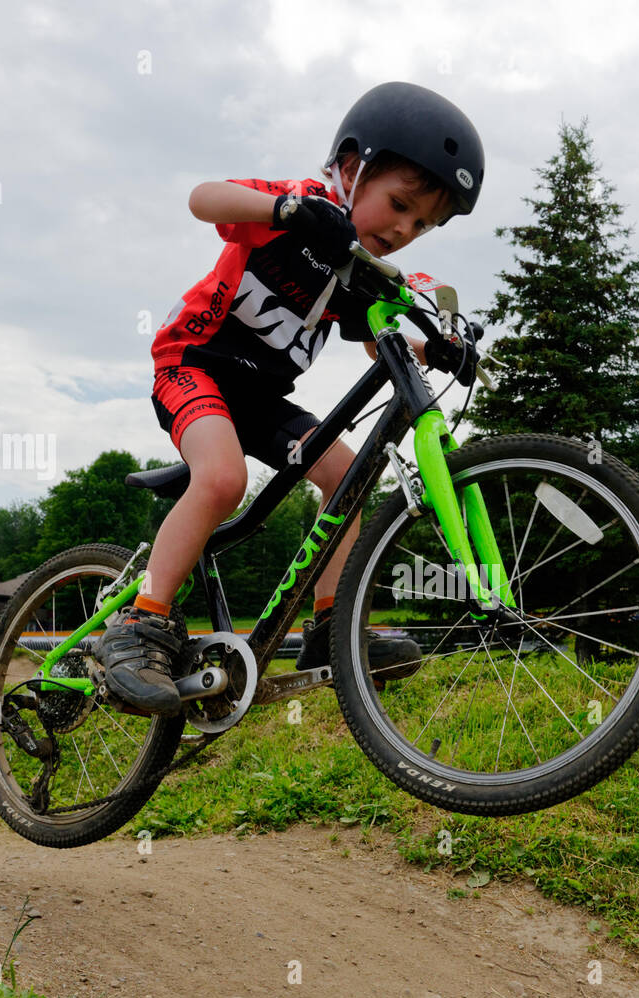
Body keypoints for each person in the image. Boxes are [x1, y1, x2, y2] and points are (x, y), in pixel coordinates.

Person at [97, 82, 484, 716]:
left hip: (260, 398)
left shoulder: (358, 267)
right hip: (193, 368)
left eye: (423, 224)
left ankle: (330, 628)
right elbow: (202, 198)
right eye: (401, 205)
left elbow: (377, 338)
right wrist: (282, 214)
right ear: (353, 169)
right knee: (222, 480)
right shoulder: (304, 206)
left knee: (348, 475)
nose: (405, 229)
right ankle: (142, 624)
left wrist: (432, 341)